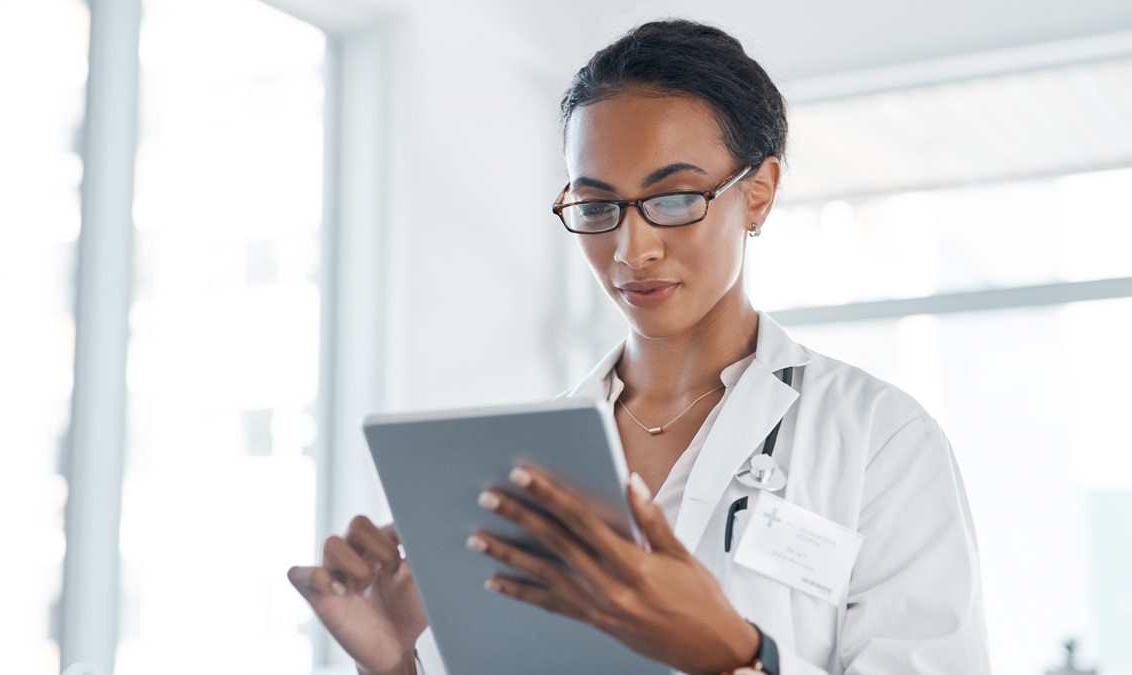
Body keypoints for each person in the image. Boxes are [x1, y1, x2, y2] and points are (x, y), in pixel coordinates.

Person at [287, 19, 990, 675]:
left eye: (676, 197)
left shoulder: (877, 441)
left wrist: (738, 656)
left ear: (760, 194)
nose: (632, 249)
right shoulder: (528, 463)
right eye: (597, 206)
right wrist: (394, 661)